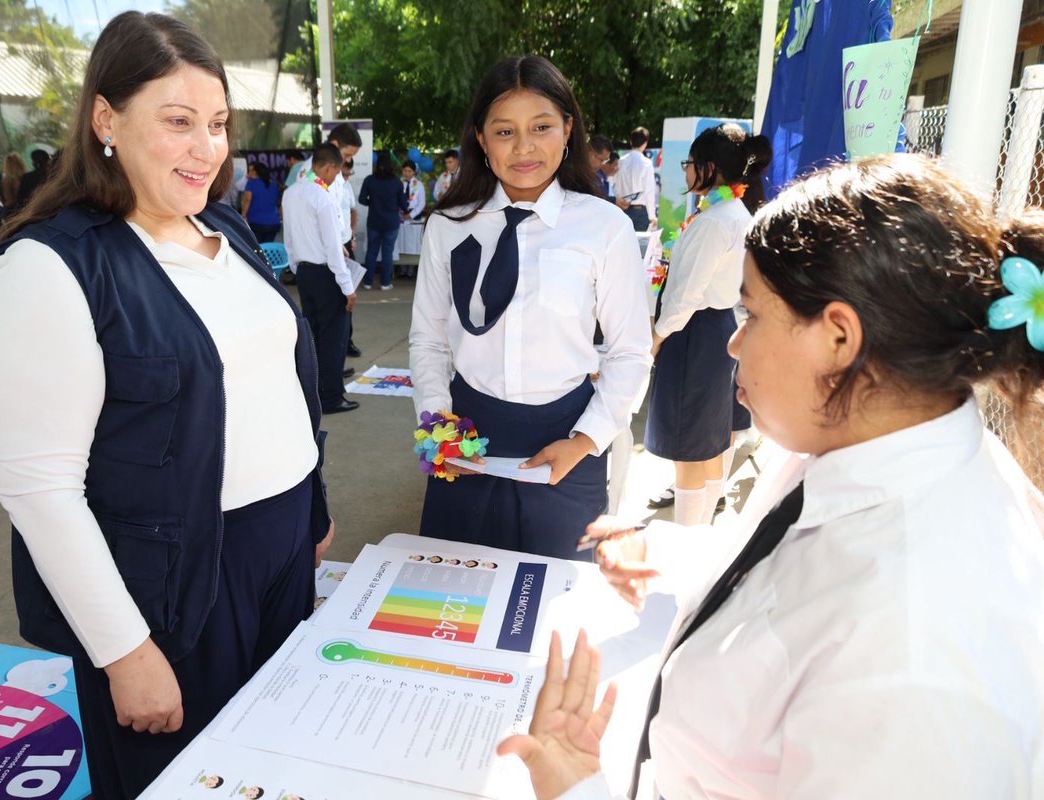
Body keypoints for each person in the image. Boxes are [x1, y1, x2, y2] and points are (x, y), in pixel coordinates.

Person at [499, 154, 1044, 800]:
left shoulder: (917, 654)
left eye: (750, 314)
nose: (733, 343)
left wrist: (576, 791)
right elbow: (791, 575)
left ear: (838, 339)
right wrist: (673, 558)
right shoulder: (862, 444)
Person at [0, 13, 335, 798]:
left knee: (271, 761)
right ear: (106, 118)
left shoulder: (226, 230)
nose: (207, 148)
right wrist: (124, 651)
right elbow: (40, 490)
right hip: (171, 588)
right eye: (178, 123)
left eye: (218, 124)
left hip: (280, 546)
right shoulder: (49, 267)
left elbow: (278, 382)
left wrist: (312, 507)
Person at [408, 55, 652, 560]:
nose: (524, 147)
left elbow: (630, 350)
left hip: (567, 441)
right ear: (481, 138)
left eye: (541, 127)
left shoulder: (603, 227)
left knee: (554, 607)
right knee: (455, 596)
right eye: (504, 131)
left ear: (568, 128)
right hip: (465, 439)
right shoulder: (448, 226)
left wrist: (587, 439)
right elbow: (429, 340)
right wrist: (437, 425)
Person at [645, 123, 772, 526]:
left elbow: (685, 296)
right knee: (714, 442)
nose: (685, 171)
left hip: (694, 337)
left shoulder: (715, 220)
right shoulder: (736, 212)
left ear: (710, 167)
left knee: (690, 450)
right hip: (720, 330)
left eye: (689, 163)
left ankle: (685, 543)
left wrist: (655, 338)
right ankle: (700, 535)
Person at [282, 143, 359, 415]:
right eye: (336, 172)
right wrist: (347, 287)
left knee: (313, 335)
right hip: (326, 274)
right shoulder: (322, 197)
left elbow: (288, 237)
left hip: (304, 272)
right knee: (333, 338)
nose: (335, 177)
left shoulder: (290, 194)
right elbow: (333, 247)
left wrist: (295, 265)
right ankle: (331, 396)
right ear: (328, 167)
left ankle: (311, 391)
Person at [358, 151, 408, 290]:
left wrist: (373, 204)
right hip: (391, 222)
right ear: (390, 165)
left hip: (374, 221)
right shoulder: (396, 182)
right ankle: (385, 283)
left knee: (371, 252)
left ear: (377, 164)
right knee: (387, 252)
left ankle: (368, 282)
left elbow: (362, 199)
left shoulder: (369, 180)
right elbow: (404, 205)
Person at [615, 127, 656, 231]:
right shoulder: (646, 163)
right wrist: (652, 216)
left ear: (630, 142)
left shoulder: (621, 161)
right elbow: (649, 191)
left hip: (621, 208)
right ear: (645, 143)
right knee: (638, 245)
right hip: (640, 211)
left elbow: (615, 186)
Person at [240, 161, 282, 242]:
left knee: (256, 249)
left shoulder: (251, 183)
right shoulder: (274, 184)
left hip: (256, 222)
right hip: (274, 223)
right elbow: (279, 201)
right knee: (267, 248)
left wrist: (243, 215)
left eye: (251, 170)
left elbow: (247, 199)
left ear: (255, 172)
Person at [587, 135, 613, 201]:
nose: (603, 165)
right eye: (602, 160)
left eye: (605, 161)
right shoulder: (575, 172)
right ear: (592, 154)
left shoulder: (599, 173)